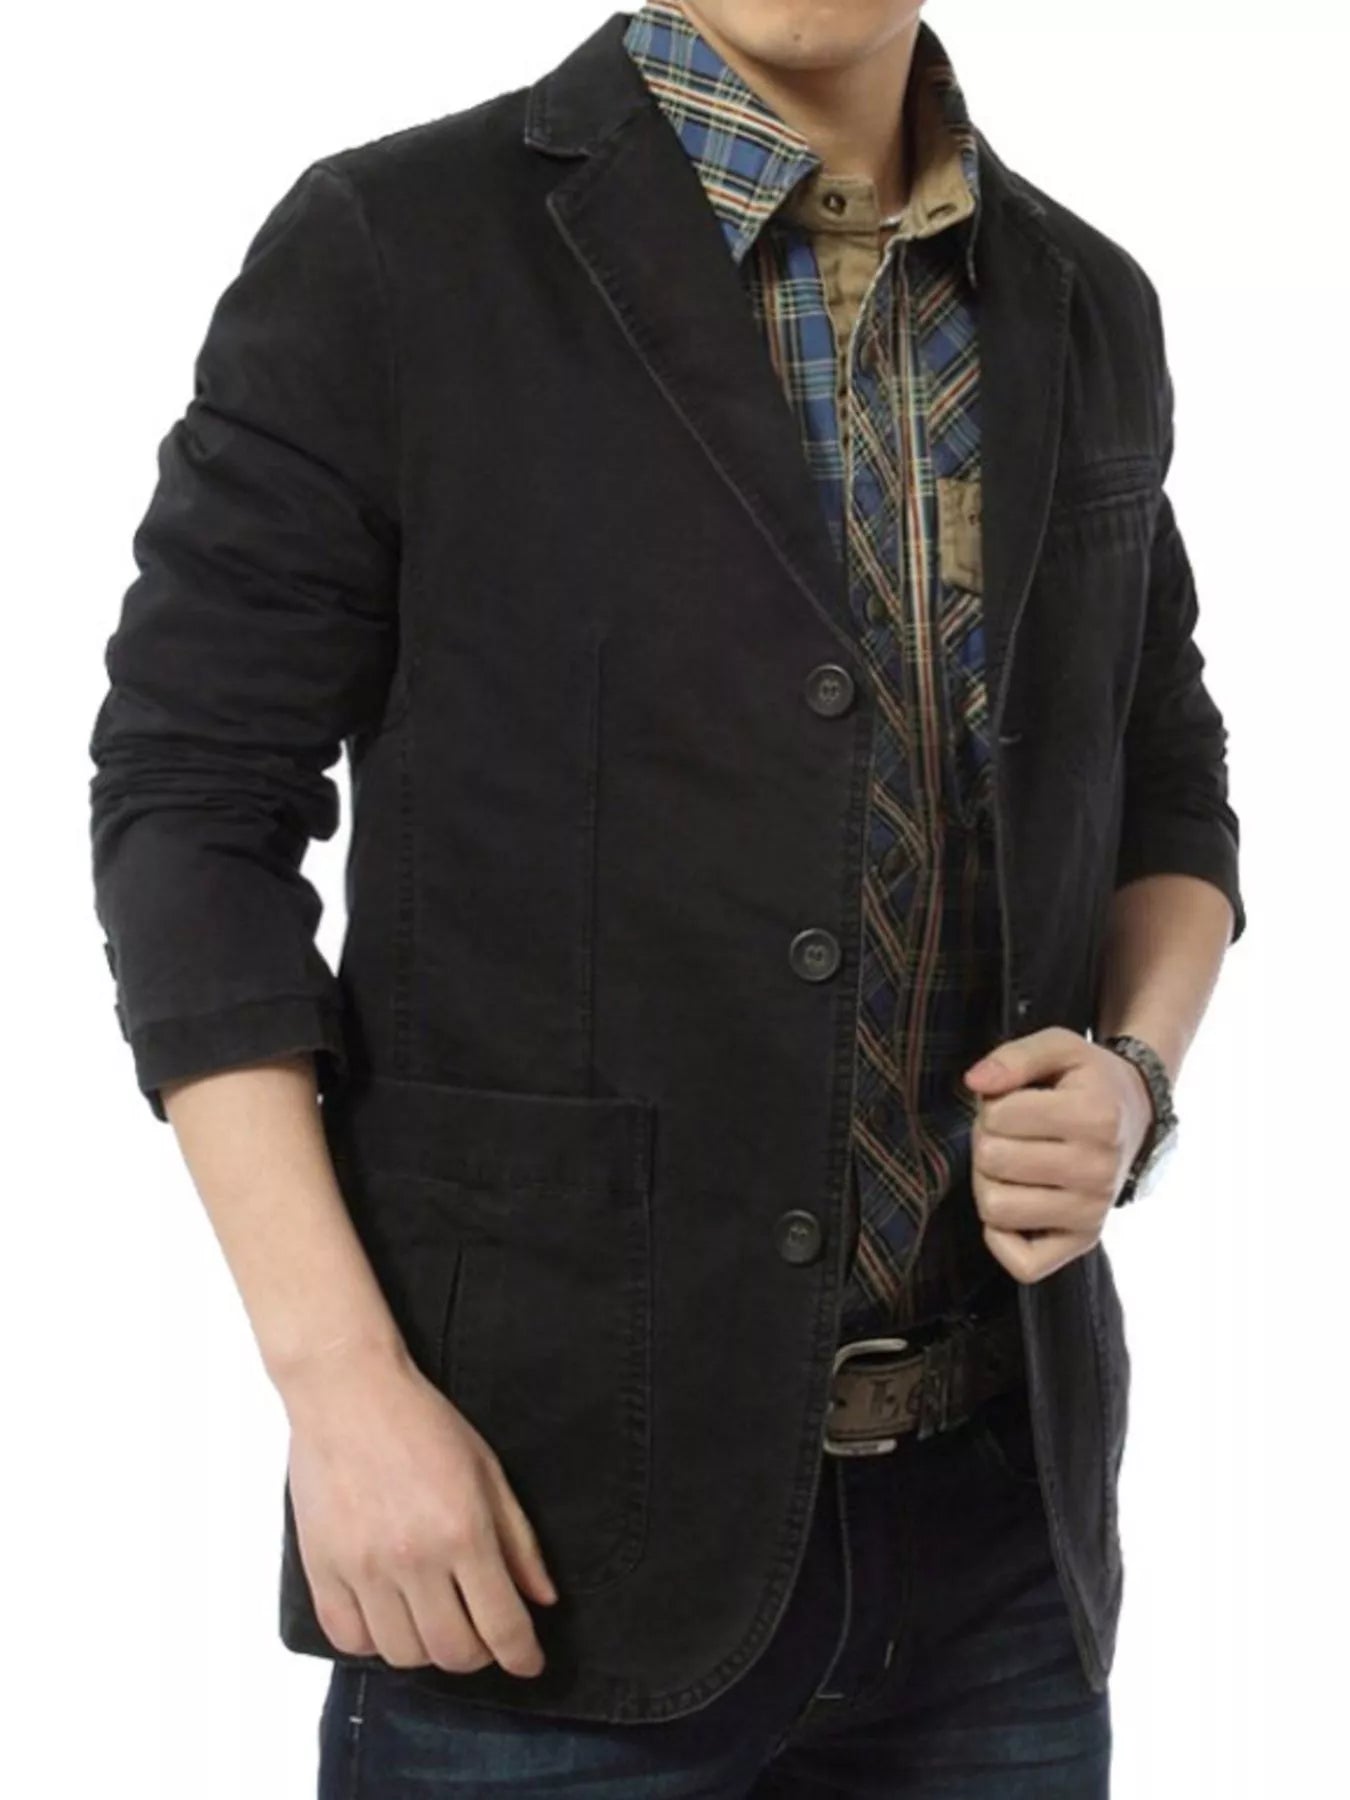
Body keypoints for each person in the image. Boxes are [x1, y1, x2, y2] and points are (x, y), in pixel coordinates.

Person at [87, 2, 1244, 1793]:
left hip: (999, 1548)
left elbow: (1166, 773)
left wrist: (1134, 1072)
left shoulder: (1083, 299)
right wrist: (338, 1387)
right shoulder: (395, 247)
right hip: (533, 1529)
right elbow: (191, 812)